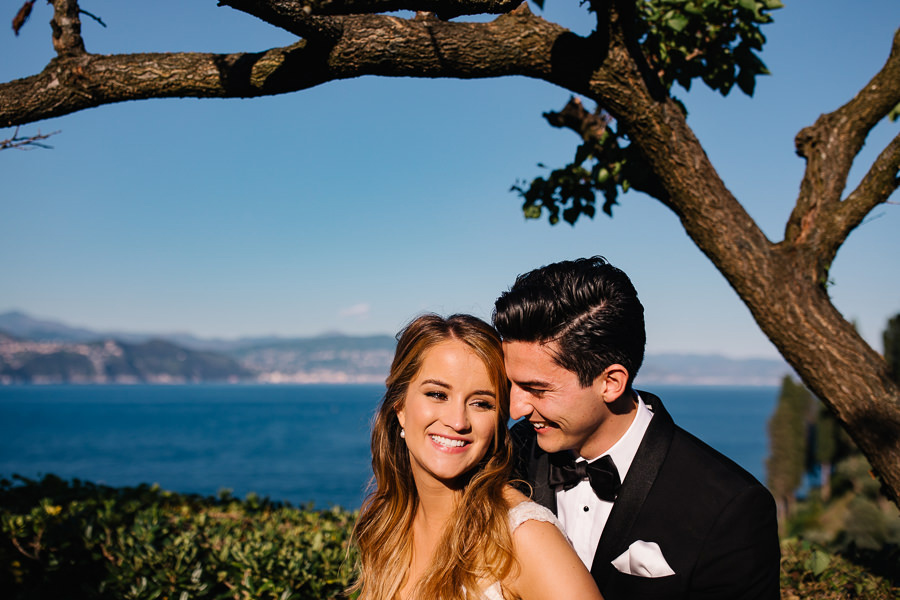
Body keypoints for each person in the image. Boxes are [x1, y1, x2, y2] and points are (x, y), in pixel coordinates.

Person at [493, 257, 781, 600]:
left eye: (538, 389)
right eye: (512, 385)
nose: (515, 409)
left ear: (611, 382)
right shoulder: (504, 457)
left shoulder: (729, 507)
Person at [351, 313, 603, 600]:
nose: (458, 421)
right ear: (400, 406)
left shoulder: (524, 537)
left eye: (481, 403)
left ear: (498, 421)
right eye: (437, 394)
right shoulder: (386, 524)